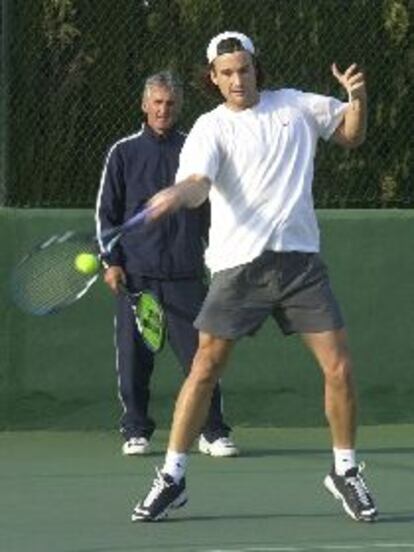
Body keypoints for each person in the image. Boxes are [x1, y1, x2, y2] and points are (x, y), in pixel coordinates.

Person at [131, 32, 378, 523]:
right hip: (238, 268)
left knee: (340, 367)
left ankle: (345, 471)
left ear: (254, 68)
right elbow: (198, 185)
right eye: (227, 73)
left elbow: (352, 135)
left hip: (301, 266)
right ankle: (172, 477)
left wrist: (357, 98)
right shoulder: (210, 128)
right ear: (214, 79)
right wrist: (176, 193)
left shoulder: (298, 107)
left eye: (243, 69)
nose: (237, 79)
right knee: (203, 369)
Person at [95, 70, 239, 458]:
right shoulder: (122, 153)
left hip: (186, 273)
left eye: (170, 103)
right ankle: (136, 430)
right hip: (136, 274)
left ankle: (213, 432)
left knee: (202, 357)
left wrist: (220, 256)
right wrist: (111, 262)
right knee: (133, 358)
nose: (163, 109)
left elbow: (214, 210)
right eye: (156, 102)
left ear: (178, 107)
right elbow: (106, 214)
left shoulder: (196, 148)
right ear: (144, 106)